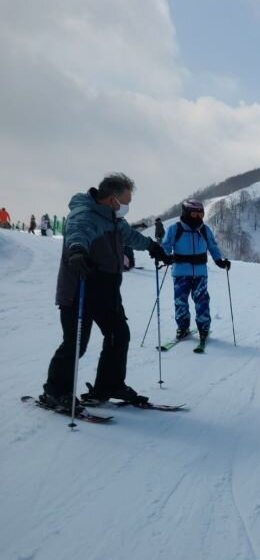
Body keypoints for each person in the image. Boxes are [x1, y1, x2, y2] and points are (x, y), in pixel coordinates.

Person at [40, 173, 171, 410]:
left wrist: (153, 247)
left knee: (118, 335)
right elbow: (77, 235)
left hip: (106, 290)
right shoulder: (85, 215)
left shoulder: (112, 218)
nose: (128, 207)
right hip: (80, 287)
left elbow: (129, 236)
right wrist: (77, 251)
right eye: (126, 201)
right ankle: (55, 391)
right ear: (112, 199)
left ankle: (109, 385)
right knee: (76, 343)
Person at [161, 200, 230, 341]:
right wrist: (164, 256)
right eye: (194, 214)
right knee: (181, 302)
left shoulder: (204, 230)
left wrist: (219, 261)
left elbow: (213, 246)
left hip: (200, 273)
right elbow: (166, 245)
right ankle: (183, 327)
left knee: (202, 301)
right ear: (186, 213)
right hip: (180, 273)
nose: (198, 218)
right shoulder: (175, 229)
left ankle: (203, 328)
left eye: (201, 214)